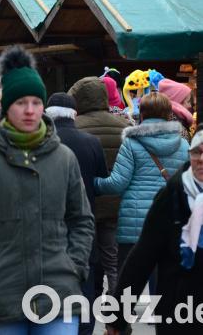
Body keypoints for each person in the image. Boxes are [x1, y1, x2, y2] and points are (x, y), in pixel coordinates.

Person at [0, 46, 94, 335]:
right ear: (5, 107)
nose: (29, 110)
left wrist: (74, 265)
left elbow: (81, 219)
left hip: (58, 292)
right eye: (20, 103)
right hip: (0, 295)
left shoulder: (63, 158)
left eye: (35, 102)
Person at [105, 122, 203, 335]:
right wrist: (118, 316)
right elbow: (142, 257)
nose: (202, 159)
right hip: (182, 314)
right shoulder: (174, 195)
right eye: (197, 151)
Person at [95, 92, 189, 289]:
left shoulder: (131, 143)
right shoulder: (183, 145)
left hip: (134, 222)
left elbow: (117, 183)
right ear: (168, 115)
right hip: (170, 220)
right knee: (164, 284)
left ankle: (122, 318)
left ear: (142, 115)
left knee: (127, 285)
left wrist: (94, 183)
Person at [45, 92, 108, 335]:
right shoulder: (91, 142)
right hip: (84, 223)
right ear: (75, 115)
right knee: (86, 284)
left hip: (48, 226)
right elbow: (100, 180)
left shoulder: (39, 142)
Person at [68, 76, 132, 298]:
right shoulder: (125, 126)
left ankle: (90, 297)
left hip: (85, 202)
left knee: (86, 254)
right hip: (115, 203)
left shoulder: (74, 128)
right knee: (112, 258)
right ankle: (117, 304)